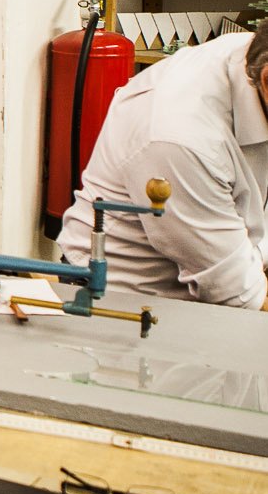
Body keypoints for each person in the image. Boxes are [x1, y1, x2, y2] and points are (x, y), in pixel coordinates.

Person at [60, 20, 268, 309]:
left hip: (236, 265)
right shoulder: (182, 138)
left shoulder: (252, 53)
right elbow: (237, 295)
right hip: (127, 300)